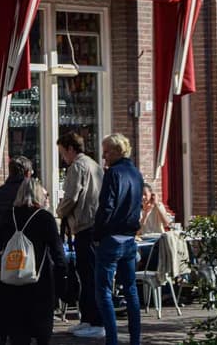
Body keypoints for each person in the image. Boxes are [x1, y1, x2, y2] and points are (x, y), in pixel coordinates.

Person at [0, 178, 64, 345]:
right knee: (41, 334)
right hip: (40, 283)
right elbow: (58, 253)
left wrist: (2, 268)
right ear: (40, 196)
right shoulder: (45, 218)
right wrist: (61, 279)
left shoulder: (6, 216)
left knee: (18, 334)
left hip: (10, 283)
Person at [94, 133, 144, 345]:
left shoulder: (113, 173)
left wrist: (97, 234)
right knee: (131, 290)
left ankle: (112, 340)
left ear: (116, 151)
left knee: (103, 291)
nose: (103, 157)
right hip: (130, 239)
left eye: (106, 152)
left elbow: (106, 207)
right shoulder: (136, 174)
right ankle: (135, 339)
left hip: (111, 239)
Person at [55, 131, 105, 338]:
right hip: (94, 225)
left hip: (85, 226)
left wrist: (59, 211)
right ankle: (88, 319)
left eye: (62, 152)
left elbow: (71, 196)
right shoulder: (94, 165)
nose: (62, 158)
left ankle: (96, 322)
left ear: (70, 148)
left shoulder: (77, 167)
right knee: (88, 274)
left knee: (88, 275)